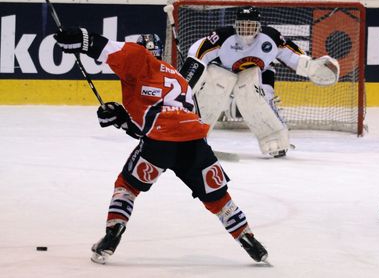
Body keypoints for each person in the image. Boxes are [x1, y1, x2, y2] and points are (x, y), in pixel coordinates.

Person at [53, 29, 268, 264]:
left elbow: (112, 50)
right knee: (218, 198)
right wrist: (124, 120)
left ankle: (112, 235)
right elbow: (169, 116)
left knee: (127, 186)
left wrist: (85, 41)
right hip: (194, 141)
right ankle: (249, 240)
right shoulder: (177, 78)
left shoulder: (138, 58)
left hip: (159, 142)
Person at [179, 5, 340, 158]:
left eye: (251, 25)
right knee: (214, 89)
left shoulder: (271, 37)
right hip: (224, 72)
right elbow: (198, 51)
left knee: (255, 95)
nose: (247, 29)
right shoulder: (223, 36)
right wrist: (188, 79)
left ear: (259, 26)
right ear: (235, 25)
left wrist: (309, 66)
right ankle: (193, 138)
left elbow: (292, 56)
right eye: (243, 25)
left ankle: (275, 139)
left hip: (259, 73)